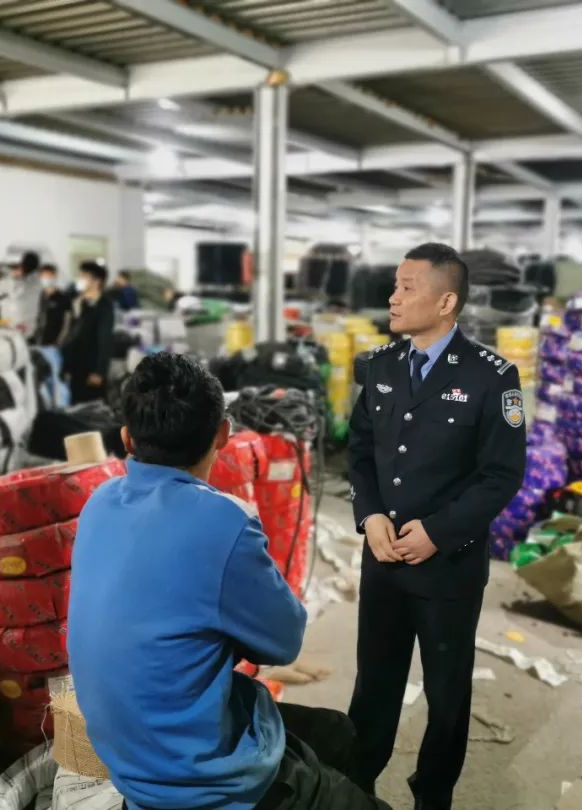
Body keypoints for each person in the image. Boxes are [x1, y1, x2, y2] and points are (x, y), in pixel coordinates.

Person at [69, 352, 389, 810]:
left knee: (334, 731)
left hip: (128, 758)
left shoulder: (98, 503)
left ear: (126, 438)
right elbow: (284, 643)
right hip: (198, 779)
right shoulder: (222, 521)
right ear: (223, 433)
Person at [347, 242, 526, 810]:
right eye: (394, 286)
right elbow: (360, 451)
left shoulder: (492, 376)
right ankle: (357, 785)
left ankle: (433, 795)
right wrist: (370, 514)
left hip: (447, 567)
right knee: (374, 685)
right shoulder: (380, 366)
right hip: (383, 559)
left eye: (407, 287)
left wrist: (440, 533)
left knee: (447, 694)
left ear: (446, 302)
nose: (392, 298)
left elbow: (501, 476)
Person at [61, 261, 114, 404]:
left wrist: (99, 371)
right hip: (76, 367)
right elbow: (71, 334)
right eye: (80, 276)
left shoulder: (104, 306)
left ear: (97, 281)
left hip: (92, 369)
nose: (80, 280)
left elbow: (105, 340)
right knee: (75, 407)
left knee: (93, 408)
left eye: (84, 276)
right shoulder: (79, 302)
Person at [0, 250, 42, 338]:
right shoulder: (31, 280)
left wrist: (15, 277)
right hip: (12, 323)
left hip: (22, 324)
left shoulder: (32, 282)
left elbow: (15, 294)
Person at [34, 263, 71, 346]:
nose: (46, 278)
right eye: (43, 276)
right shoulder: (37, 297)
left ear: (54, 276)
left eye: (49, 275)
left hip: (54, 343)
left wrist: (59, 341)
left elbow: (67, 323)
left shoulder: (63, 297)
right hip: (37, 341)